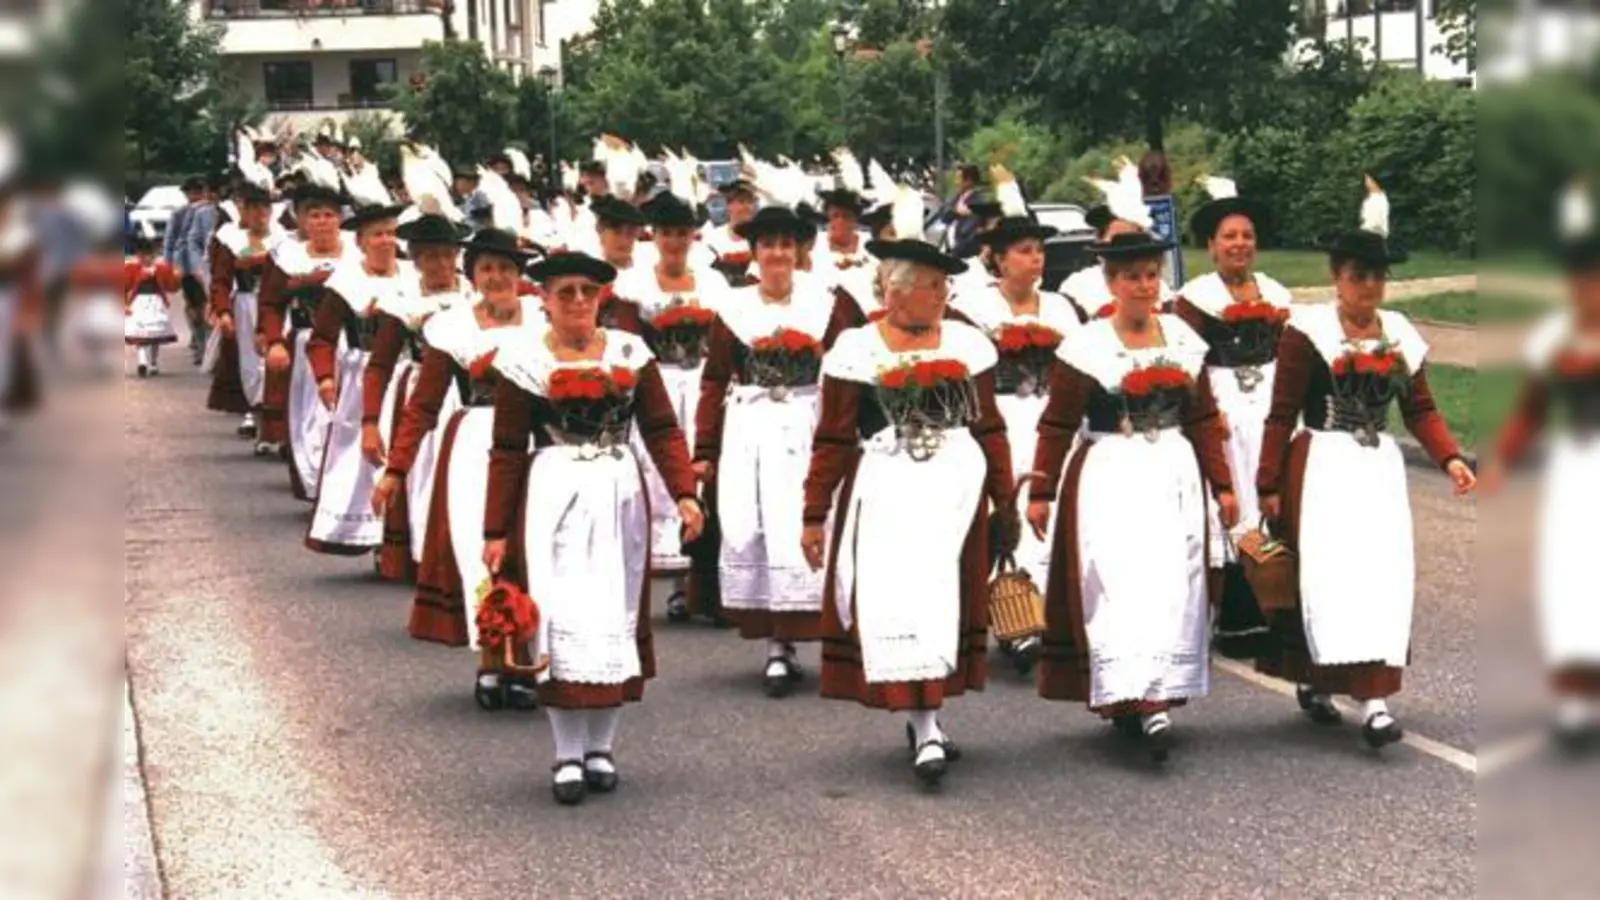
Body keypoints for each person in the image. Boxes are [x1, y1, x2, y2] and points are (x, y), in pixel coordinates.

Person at [801, 188, 1014, 786]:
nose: (942, 296)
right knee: (903, 600)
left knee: (942, 597)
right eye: (930, 285)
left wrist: (1006, 499)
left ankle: (930, 719)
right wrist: (814, 513)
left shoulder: (965, 345)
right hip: (889, 488)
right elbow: (834, 438)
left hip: (953, 486)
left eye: (944, 286)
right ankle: (923, 725)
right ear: (894, 290)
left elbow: (989, 426)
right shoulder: (857, 351)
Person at [1255, 178, 1475, 750]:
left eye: (1377, 276)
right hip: (1324, 463)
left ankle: (1374, 697)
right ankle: (1321, 678)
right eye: (1359, 276)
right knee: (1327, 577)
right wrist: (1268, 483)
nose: (1369, 286)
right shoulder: (1308, 331)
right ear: (1338, 277)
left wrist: (1449, 457)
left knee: (1380, 574)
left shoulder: (1397, 333)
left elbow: (1419, 407)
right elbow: (1280, 414)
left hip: (1377, 468)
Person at [481, 249, 704, 805]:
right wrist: (495, 530)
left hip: (617, 491)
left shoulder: (629, 352)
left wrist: (684, 493)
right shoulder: (523, 360)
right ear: (545, 301)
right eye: (565, 293)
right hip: (554, 490)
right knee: (559, 615)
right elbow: (507, 449)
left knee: (614, 614)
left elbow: (660, 428)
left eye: (587, 291)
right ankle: (565, 752)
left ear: (601, 297)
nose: (578, 301)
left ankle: (602, 745)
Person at [1026, 230, 1233, 763]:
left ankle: (1157, 695)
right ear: (1111, 283)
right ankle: (1129, 693)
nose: (1144, 286)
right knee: (1117, 583)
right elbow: (1056, 422)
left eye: (1150, 275)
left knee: (1169, 582)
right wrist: (1041, 490)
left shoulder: (1182, 338)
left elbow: (1204, 417)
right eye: (1131, 277)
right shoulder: (1087, 346)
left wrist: (1224, 484)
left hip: (1172, 469)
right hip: (1111, 473)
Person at [378, 227, 540, 710]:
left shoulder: (541, 321)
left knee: (531, 548)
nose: (498, 278)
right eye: (487, 269)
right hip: (474, 440)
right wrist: (396, 469)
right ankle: (492, 661)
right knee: (481, 551)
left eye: (507, 269)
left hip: (534, 442)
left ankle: (527, 657)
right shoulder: (453, 329)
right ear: (472, 276)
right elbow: (424, 405)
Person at [694, 204, 842, 695]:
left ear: (799, 251)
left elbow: (847, 371)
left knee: (803, 520)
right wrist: (705, 448)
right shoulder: (734, 309)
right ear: (754, 252)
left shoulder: (827, 304)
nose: (777, 253)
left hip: (806, 421)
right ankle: (777, 646)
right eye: (767, 244)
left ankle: (826, 636)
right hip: (751, 425)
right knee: (756, 522)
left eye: (786, 244)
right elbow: (714, 380)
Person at [1483, 183, 1600, 752]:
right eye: (1581, 280)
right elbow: (1529, 411)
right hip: (1575, 472)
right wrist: (1499, 460)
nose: (1589, 290)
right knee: (1573, 586)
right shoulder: (1555, 337)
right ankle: (1577, 699)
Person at [951, 172, 1082, 673]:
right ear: (1000, 258)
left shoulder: (1063, 309)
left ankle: (1054, 610)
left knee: (1050, 500)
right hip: (1001, 413)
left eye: (1039, 251)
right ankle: (1014, 614)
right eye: (1025, 251)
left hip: (1049, 418)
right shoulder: (974, 308)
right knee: (1005, 505)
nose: (1036, 260)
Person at [1172, 178, 1290, 660]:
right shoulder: (1195, 297)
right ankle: (1230, 612)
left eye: (1246, 235)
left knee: (1271, 493)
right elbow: (1184, 359)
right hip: (1222, 397)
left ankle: (1274, 604)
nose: (1239, 244)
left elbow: (1290, 349)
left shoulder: (1276, 291)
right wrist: (1206, 411)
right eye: (1229, 236)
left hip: (1267, 398)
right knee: (1231, 498)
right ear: (1211, 246)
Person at [615, 186, 724, 622]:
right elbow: (626, 340)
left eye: (682, 233)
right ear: (654, 237)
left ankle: (696, 583)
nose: (675, 242)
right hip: (659, 381)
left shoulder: (712, 283)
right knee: (659, 473)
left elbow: (721, 340)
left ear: (693, 237)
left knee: (702, 473)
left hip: (699, 381)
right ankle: (655, 570)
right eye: (667, 233)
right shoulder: (636, 284)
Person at [359, 213, 472, 581]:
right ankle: (421, 549)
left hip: (471, 394)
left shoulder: (475, 293)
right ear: (416, 259)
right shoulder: (403, 300)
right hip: (421, 386)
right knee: (422, 469)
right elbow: (378, 365)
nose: (440, 264)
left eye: (446, 255)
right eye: (430, 256)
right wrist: (371, 421)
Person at [303, 198, 412, 555]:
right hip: (362, 374)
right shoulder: (346, 282)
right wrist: (324, 378)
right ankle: (372, 533)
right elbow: (321, 339)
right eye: (377, 235)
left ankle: (403, 534)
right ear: (362, 242)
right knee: (366, 456)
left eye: (391, 234)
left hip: (408, 373)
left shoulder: (413, 277)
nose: (386, 241)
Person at [256, 171, 358, 483]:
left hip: (350, 344)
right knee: (308, 414)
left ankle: (343, 479)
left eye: (329, 215)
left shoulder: (357, 253)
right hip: (304, 342)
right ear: (302, 220)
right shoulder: (288, 256)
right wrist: (273, 340)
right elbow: (271, 303)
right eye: (315, 216)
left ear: (339, 219)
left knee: (344, 413)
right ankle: (313, 478)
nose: (323, 222)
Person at [208, 180, 284, 440]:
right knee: (250, 364)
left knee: (275, 363)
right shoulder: (229, 237)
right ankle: (253, 413)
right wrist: (223, 311)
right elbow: (220, 279)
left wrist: (260, 260)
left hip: (276, 307)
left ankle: (272, 428)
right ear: (243, 211)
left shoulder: (282, 239)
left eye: (264, 208)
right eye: (253, 208)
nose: (259, 214)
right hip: (245, 304)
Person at [123, 237, 180, 376]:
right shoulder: (131, 269)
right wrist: (124, 304)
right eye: (143, 255)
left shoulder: (161, 269)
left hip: (156, 303)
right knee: (140, 333)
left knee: (155, 334)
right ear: (138, 255)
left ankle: (154, 363)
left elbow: (171, 286)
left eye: (149, 255)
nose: (146, 258)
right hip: (139, 303)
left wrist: (177, 277)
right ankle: (142, 362)